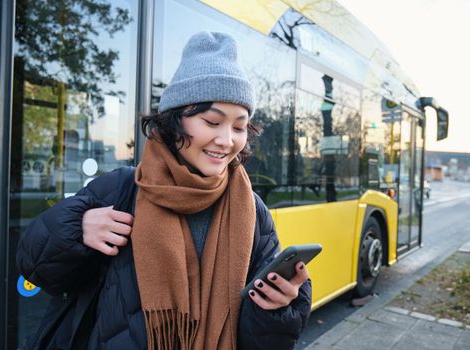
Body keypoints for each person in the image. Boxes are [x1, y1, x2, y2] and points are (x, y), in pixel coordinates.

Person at [17, 31, 311, 350]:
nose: (227, 140)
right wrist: (77, 228)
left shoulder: (252, 210)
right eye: (212, 122)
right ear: (175, 121)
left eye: (239, 127)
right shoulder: (122, 188)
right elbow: (36, 268)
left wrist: (278, 307)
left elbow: (263, 342)